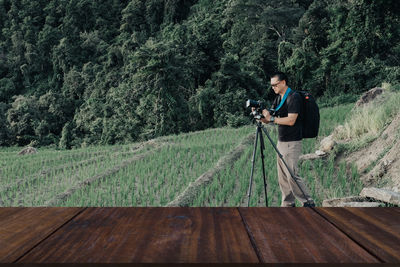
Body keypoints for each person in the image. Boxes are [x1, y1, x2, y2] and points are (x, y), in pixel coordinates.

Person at [259, 72, 315, 207]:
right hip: (281, 141)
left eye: (275, 85)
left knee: (292, 175)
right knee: (283, 177)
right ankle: (288, 204)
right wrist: (261, 115)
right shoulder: (279, 98)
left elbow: (291, 120)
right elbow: (270, 119)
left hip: (292, 142)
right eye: (271, 86)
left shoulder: (293, 97)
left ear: (283, 82)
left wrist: (271, 118)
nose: (273, 88)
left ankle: (308, 202)